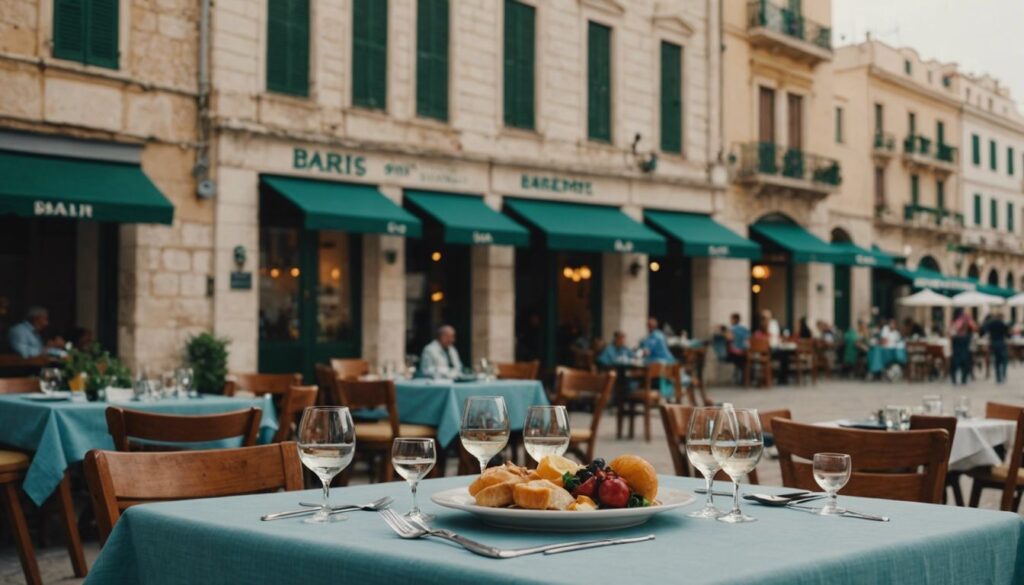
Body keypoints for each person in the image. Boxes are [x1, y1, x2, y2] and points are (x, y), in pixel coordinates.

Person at [948, 308, 978, 385]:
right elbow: (953, 330)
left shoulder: (962, 320)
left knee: (962, 362)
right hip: (960, 342)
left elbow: (974, 327)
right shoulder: (959, 320)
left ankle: (962, 379)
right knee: (959, 362)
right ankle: (958, 379)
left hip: (962, 342)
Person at [981, 311, 1010, 384]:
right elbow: (1008, 334)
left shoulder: (991, 323)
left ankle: (998, 377)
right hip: (1001, 343)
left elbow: (983, 330)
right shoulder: (1003, 323)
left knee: (997, 360)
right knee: (1004, 359)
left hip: (993, 343)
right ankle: (1003, 374)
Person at [726, 313, 750, 383]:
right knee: (743, 363)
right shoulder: (745, 329)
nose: (730, 321)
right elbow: (748, 339)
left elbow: (729, 338)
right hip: (745, 351)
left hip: (735, 352)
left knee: (740, 362)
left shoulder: (732, 329)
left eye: (731, 319)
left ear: (734, 319)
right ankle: (743, 378)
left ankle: (739, 378)